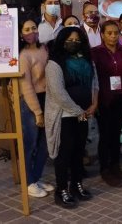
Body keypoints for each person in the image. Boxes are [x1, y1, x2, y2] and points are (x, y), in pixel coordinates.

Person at [45, 27, 98, 208]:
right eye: (70, 39)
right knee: (64, 154)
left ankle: (76, 184)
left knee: (78, 151)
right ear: (62, 41)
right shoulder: (54, 63)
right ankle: (61, 190)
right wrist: (78, 110)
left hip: (83, 113)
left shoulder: (86, 60)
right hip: (65, 115)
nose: (73, 43)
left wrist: (94, 103)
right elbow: (58, 93)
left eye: (77, 40)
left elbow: (94, 82)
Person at [91, 21, 122, 187]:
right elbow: (93, 76)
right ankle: (105, 169)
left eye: (116, 33)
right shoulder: (96, 52)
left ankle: (116, 166)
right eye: (109, 33)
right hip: (104, 98)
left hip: (121, 96)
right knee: (105, 135)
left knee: (116, 135)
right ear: (102, 35)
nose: (113, 36)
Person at [18, 19, 54, 198]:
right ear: (21, 34)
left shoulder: (44, 49)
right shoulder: (23, 56)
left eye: (34, 28)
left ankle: (36, 177)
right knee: (30, 143)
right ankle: (28, 181)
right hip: (31, 101)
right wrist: (37, 112)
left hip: (47, 98)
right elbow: (26, 87)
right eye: (27, 29)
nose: (31, 32)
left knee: (45, 143)